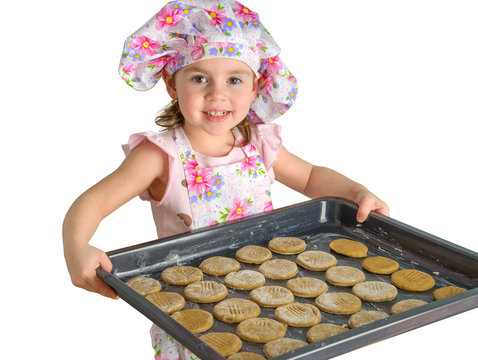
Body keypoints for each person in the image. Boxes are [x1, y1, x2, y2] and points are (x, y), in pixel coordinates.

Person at [63, 0, 389, 358]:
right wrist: (77, 246)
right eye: (199, 77)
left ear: (255, 87)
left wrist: (356, 191)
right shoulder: (159, 156)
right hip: (188, 313)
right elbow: (92, 202)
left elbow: (312, 178)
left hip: (272, 296)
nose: (217, 93)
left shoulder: (260, 144)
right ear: (172, 84)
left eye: (234, 79)